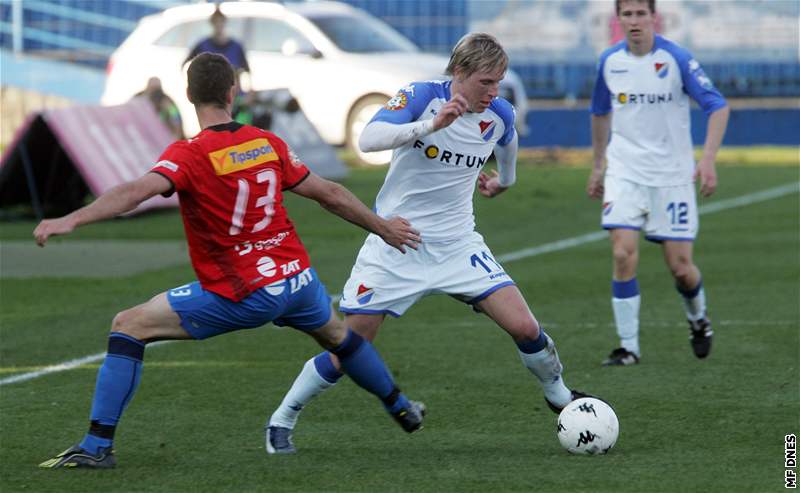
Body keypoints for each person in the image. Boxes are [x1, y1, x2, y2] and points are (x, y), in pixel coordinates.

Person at [35, 53, 425, 469]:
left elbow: (136, 192)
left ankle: (96, 447)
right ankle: (400, 405)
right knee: (341, 338)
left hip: (244, 291)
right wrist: (382, 226)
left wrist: (72, 217)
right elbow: (328, 193)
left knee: (127, 326)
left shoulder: (189, 154)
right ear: (232, 92)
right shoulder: (266, 142)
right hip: (297, 279)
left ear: (188, 96)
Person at [265, 33, 594, 455]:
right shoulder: (421, 97)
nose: (493, 92)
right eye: (485, 82)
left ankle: (558, 394)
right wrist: (429, 127)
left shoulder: (499, 114)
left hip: (458, 245)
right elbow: (369, 140)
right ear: (459, 73)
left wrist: (504, 181)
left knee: (526, 327)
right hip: (395, 242)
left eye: (498, 82)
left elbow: (508, 146)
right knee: (349, 345)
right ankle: (283, 419)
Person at [586, 0, 730, 366]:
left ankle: (698, 318)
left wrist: (708, 160)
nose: (634, 21)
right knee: (622, 252)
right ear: (618, 20)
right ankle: (628, 347)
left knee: (681, 268)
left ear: (654, 18)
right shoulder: (609, 62)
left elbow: (718, 106)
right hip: (625, 171)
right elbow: (600, 113)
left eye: (640, 14)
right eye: (627, 14)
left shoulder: (677, 59)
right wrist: (598, 165)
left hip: (672, 176)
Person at [183, 6, 250, 75]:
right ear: (212, 23)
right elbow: (185, 65)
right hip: (207, 85)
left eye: (221, 21)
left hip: (231, 85)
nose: (218, 24)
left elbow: (247, 71)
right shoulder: (202, 46)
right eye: (216, 21)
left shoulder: (236, 47)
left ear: (225, 22)